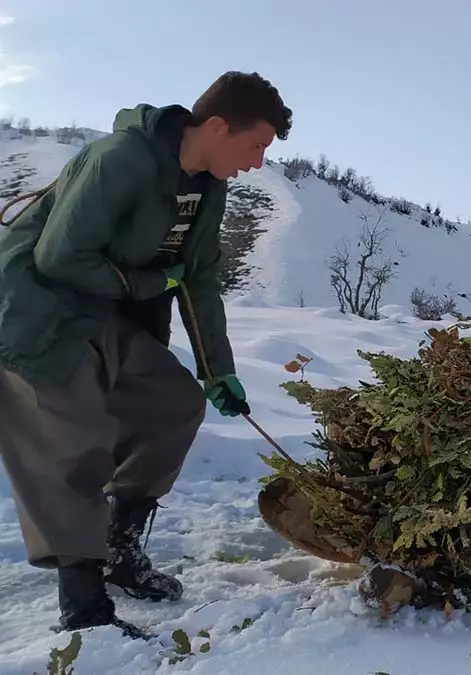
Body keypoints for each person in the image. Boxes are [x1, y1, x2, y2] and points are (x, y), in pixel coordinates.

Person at [0, 71, 291, 638]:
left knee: (174, 403)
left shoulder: (209, 188)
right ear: (214, 126)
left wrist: (217, 372)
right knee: (75, 440)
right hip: (40, 314)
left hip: (108, 314)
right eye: (255, 145)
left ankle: (118, 545)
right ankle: (84, 609)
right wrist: (149, 283)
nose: (258, 162)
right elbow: (59, 257)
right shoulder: (120, 160)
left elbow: (199, 280)